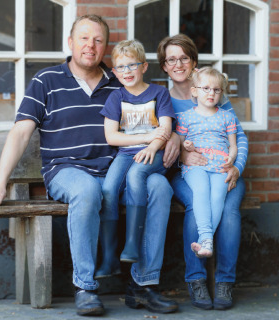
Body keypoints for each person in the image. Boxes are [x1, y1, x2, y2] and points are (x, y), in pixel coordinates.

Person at [0, 15, 179, 316]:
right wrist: (0, 184)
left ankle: (144, 285)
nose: (91, 45)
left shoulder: (121, 82)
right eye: (85, 38)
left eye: (98, 40)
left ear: (105, 48)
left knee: (159, 187)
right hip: (66, 170)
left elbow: (156, 116)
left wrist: (175, 135)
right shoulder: (46, 81)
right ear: (71, 42)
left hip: (119, 168)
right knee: (88, 190)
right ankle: (86, 287)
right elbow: (21, 132)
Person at [157, 34, 248, 310]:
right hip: (187, 173)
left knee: (230, 211)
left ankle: (224, 283)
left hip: (223, 169)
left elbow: (238, 137)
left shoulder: (214, 94)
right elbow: (158, 144)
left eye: (184, 57)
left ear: (194, 62)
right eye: (171, 59)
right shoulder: (162, 100)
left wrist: (236, 166)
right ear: (164, 66)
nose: (178, 64)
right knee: (197, 207)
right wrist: (183, 153)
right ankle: (196, 279)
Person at [96, 39, 174, 279]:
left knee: (136, 175)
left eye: (132, 65)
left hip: (156, 154)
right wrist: (147, 135)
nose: (126, 71)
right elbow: (111, 137)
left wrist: (153, 146)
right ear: (114, 72)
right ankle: (109, 258)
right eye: (121, 67)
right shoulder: (116, 97)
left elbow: (166, 129)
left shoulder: (159, 93)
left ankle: (131, 243)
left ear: (144, 67)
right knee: (108, 189)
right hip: (126, 153)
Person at [176, 67, 238, 258]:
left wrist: (232, 159)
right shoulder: (185, 116)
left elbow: (233, 145)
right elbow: (178, 143)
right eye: (206, 88)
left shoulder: (227, 116)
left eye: (216, 90)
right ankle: (206, 237)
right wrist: (186, 145)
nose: (211, 93)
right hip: (196, 166)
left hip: (220, 166)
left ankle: (206, 243)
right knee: (201, 190)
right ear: (194, 91)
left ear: (221, 92)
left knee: (218, 196)